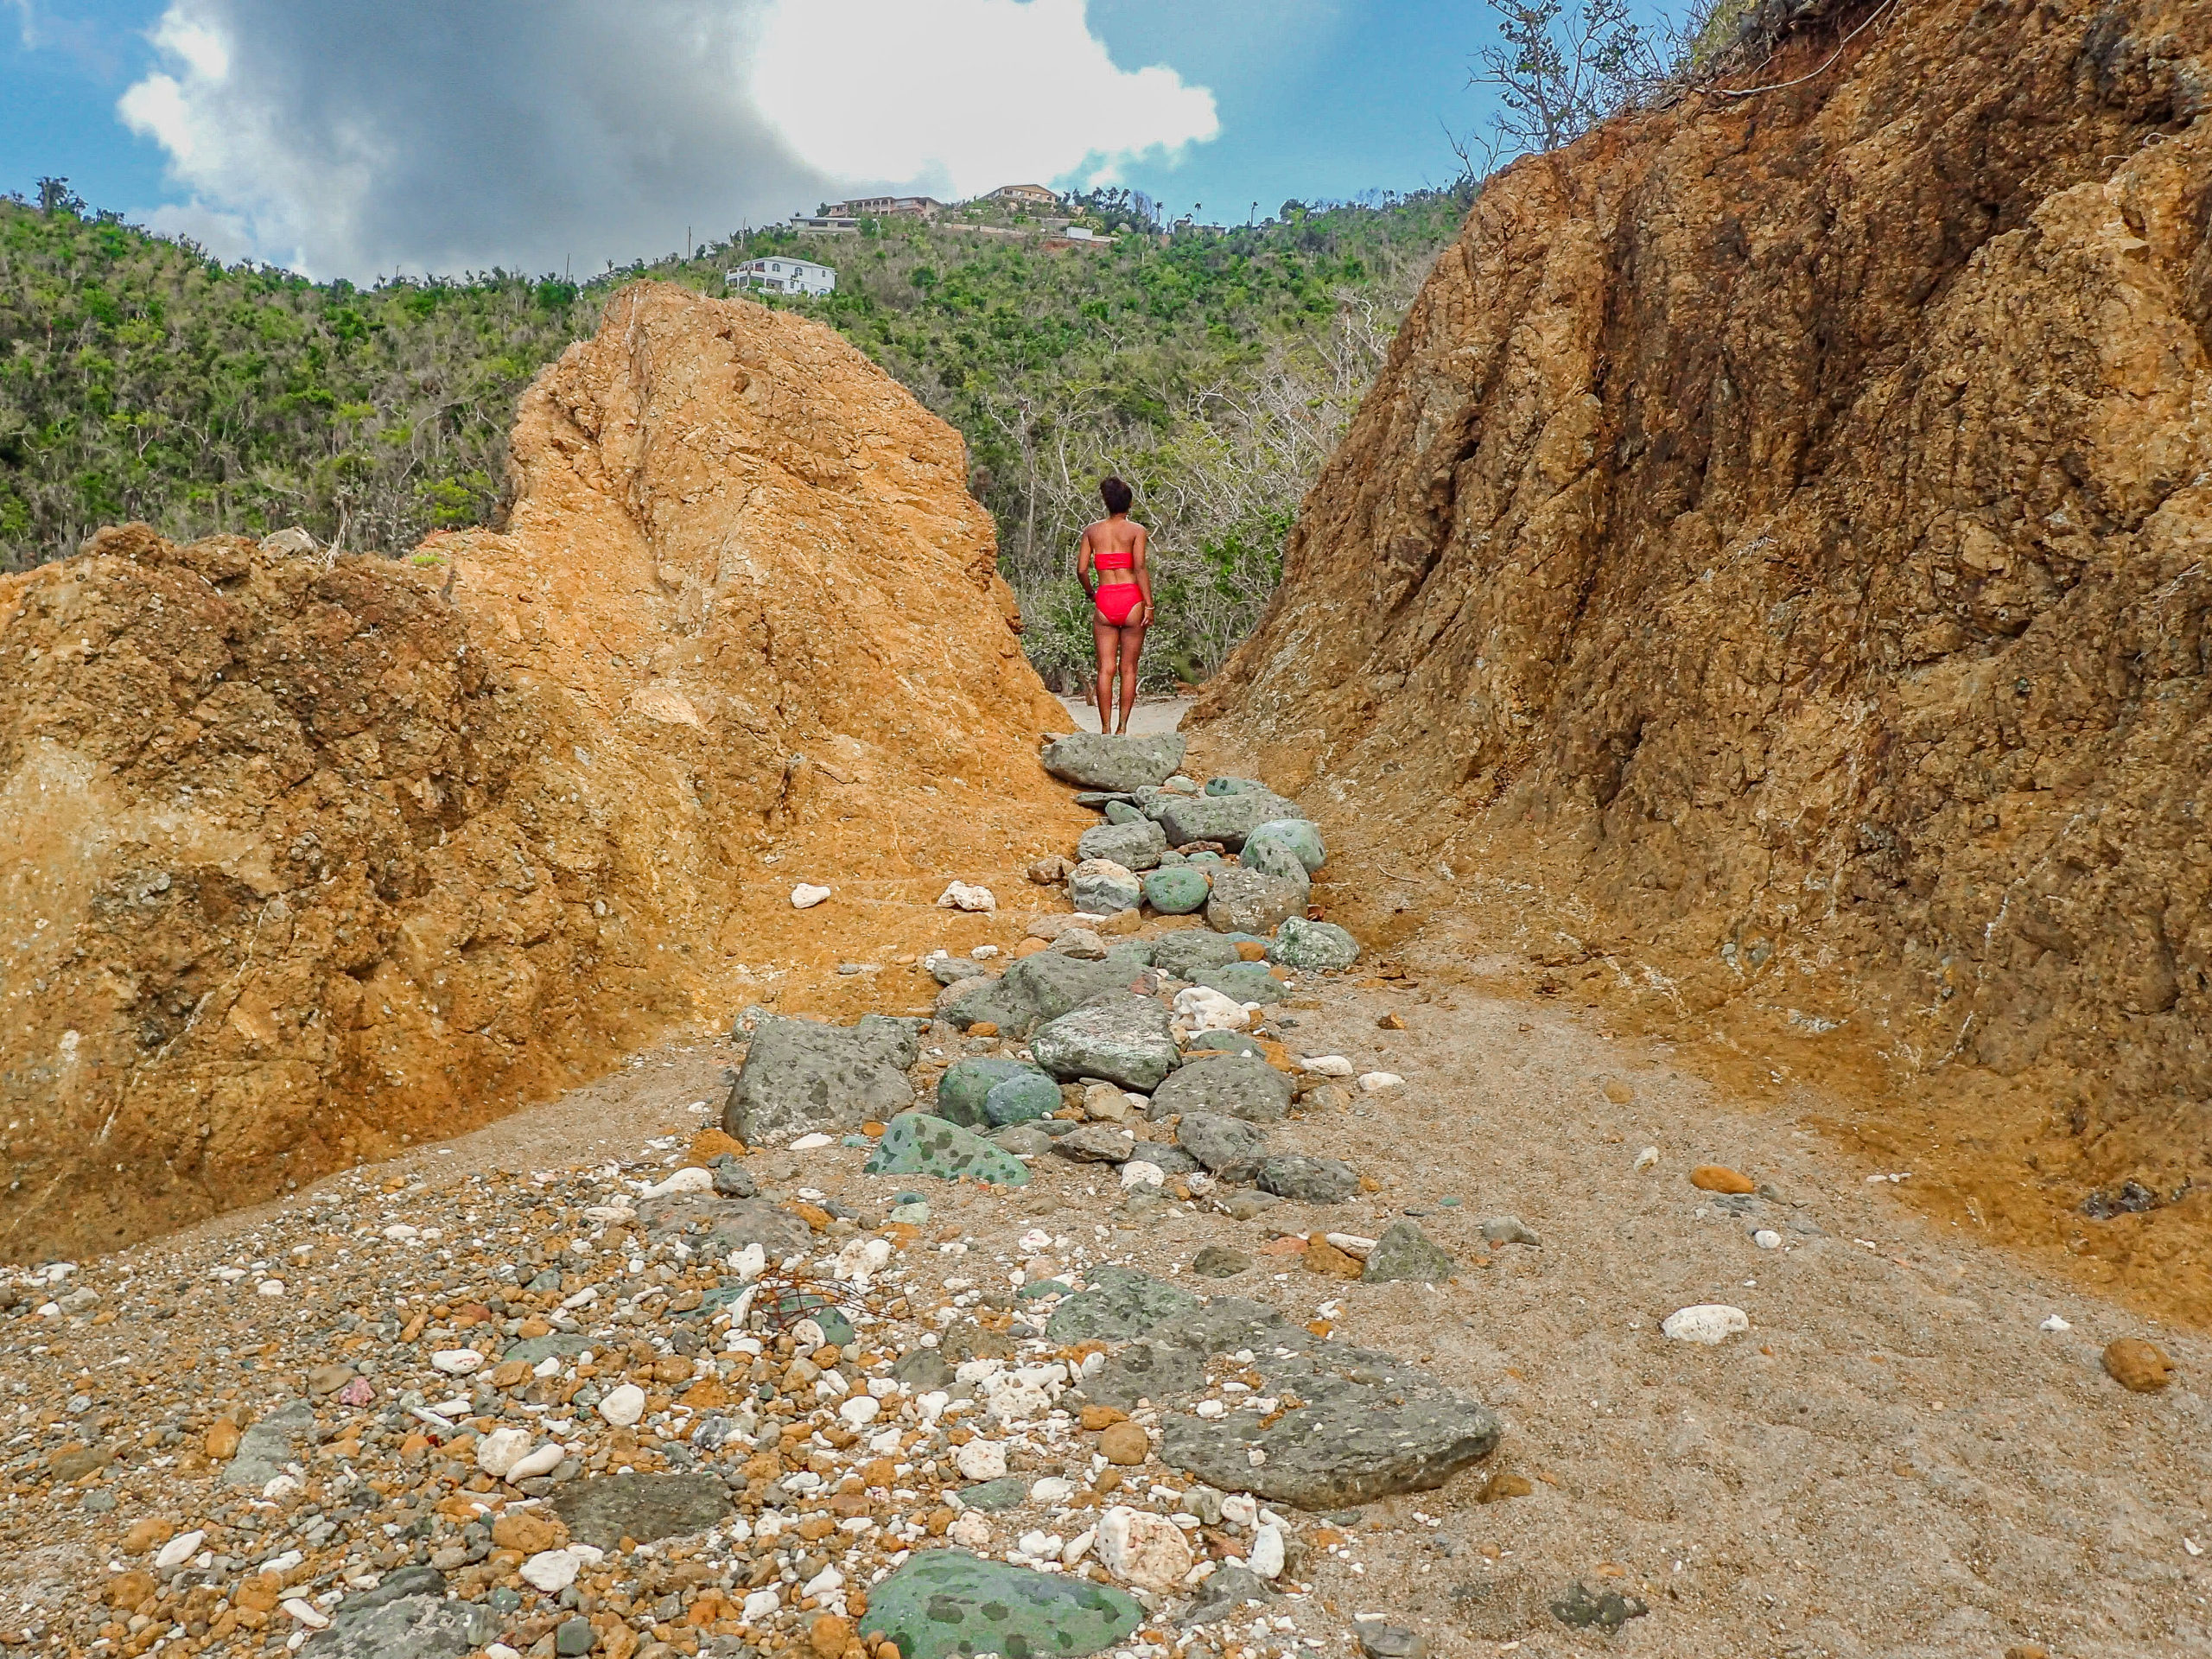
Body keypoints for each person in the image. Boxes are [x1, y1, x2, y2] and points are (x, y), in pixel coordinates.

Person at [1077, 475, 1153, 734]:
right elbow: (1140, 568)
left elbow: (1082, 569)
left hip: (1105, 598)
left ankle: (1105, 728)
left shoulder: (1092, 532)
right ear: (1129, 504)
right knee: (1129, 668)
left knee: (1105, 668)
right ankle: (1123, 728)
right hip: (1132, 598)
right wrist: (1149, 606)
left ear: (1106, 503)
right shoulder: (1137, 531)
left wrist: (1091, 593)